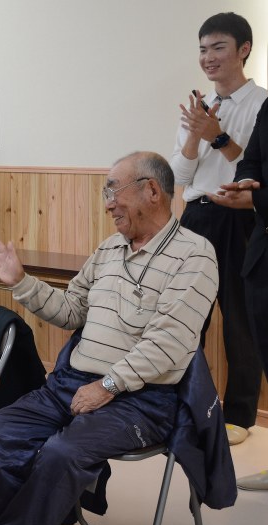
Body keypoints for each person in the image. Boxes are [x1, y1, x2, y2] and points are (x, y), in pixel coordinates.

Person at [0, 152, 219, 525]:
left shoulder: (195, 256)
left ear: (151, 190)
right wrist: (20, 282)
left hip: (141, 400)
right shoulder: (108, 249)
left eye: (112, 191)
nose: (107, 204)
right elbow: (71, 311)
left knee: (63, 453)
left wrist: (108, 385)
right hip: (70, 384)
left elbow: (170, 344)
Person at [170, 12, 267, 446]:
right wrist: (195, 134)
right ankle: (182, 403)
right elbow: (180, 174)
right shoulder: (198, 104)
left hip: (241, 216)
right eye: (203, 49)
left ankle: (240, 416)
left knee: (240, 319)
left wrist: (216, 134)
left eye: (218, 47)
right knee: (185, 316)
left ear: (243, 49)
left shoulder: (262, 103)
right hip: (196, 216)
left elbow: (253, 167)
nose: (208, 58)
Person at [215, 96, 268, 490]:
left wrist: (257, 197)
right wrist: (247, 181)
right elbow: (252, 159)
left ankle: (239, 415)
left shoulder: (257, 100)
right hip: (262, 246)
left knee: (241, 333)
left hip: (251, 219)